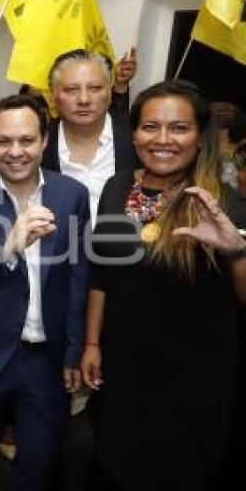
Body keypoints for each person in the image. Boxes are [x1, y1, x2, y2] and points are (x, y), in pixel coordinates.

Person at [80, 80, 246, 490]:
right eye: (150, 127)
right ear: (134, 133)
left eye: (179, 128)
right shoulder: (118, 187)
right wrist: (92, 343)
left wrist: (236, 251)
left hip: (193, 380)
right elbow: (103, 271)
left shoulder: (221, 202)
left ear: (199, 136)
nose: (163, 140)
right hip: (124, 367)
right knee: (115, 465)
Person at [0, 93, 90, 491]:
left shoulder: (71, 195)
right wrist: (10, 245)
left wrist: (74, 350)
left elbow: (79, 276)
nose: (15, 152)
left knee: (38, 469)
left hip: (47, 362)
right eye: (4, 142)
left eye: (26, 140)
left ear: (44, 141)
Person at [43, 49, 139, 221]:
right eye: (71, 89)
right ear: (53, 95)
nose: (84, 99)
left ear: (110, 92)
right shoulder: (38, 145)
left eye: (95, 88)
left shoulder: (137, 140)